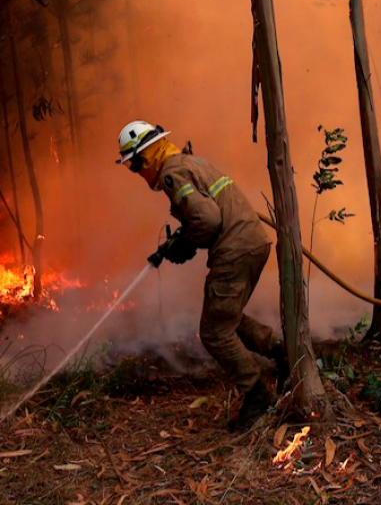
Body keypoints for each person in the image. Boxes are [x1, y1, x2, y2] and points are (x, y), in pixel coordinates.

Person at [117, 120, 287, 430]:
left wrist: (185, 243)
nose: (137, 173)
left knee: (214, 332)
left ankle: (258, 397)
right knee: (227, 318)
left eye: (134, 165)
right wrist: (182, 240)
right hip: (253, 243)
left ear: (146, 156)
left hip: (235, 249)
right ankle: (283, 354)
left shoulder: (172, 173)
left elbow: (207, 220)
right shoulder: (190, 162)